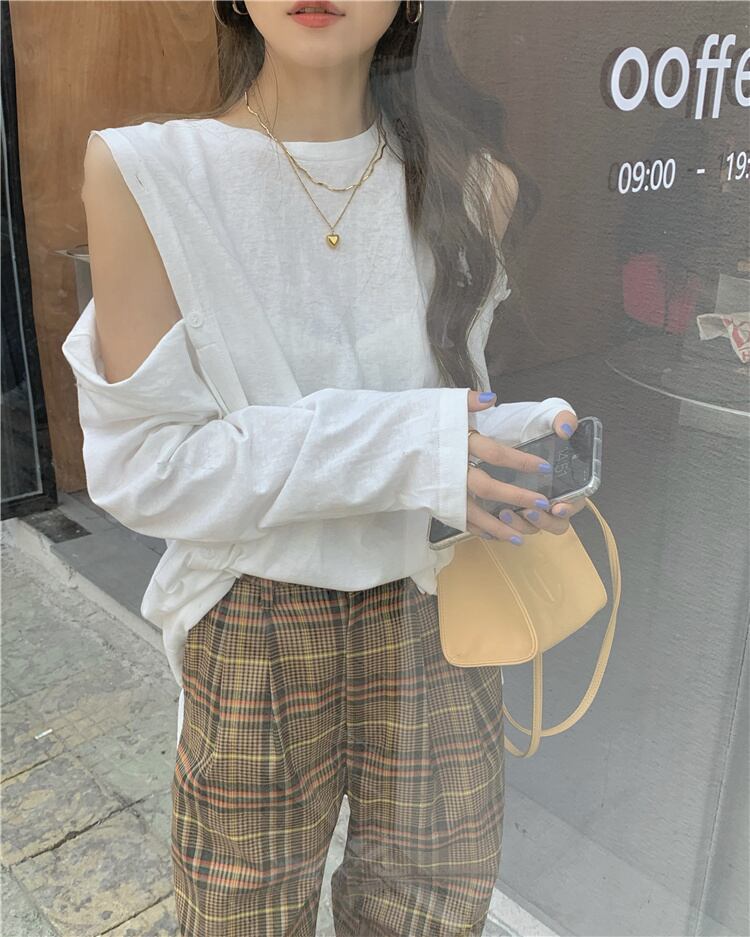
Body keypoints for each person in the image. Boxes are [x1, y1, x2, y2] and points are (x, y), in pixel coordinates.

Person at [64, 2, 585, 934]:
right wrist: (418, 447)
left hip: (435, 612)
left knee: (430, 918)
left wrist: (505, 447)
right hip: (251, 620)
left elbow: (434, 408)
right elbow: (146, 466)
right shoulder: (148, 173)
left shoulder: (472, 183)